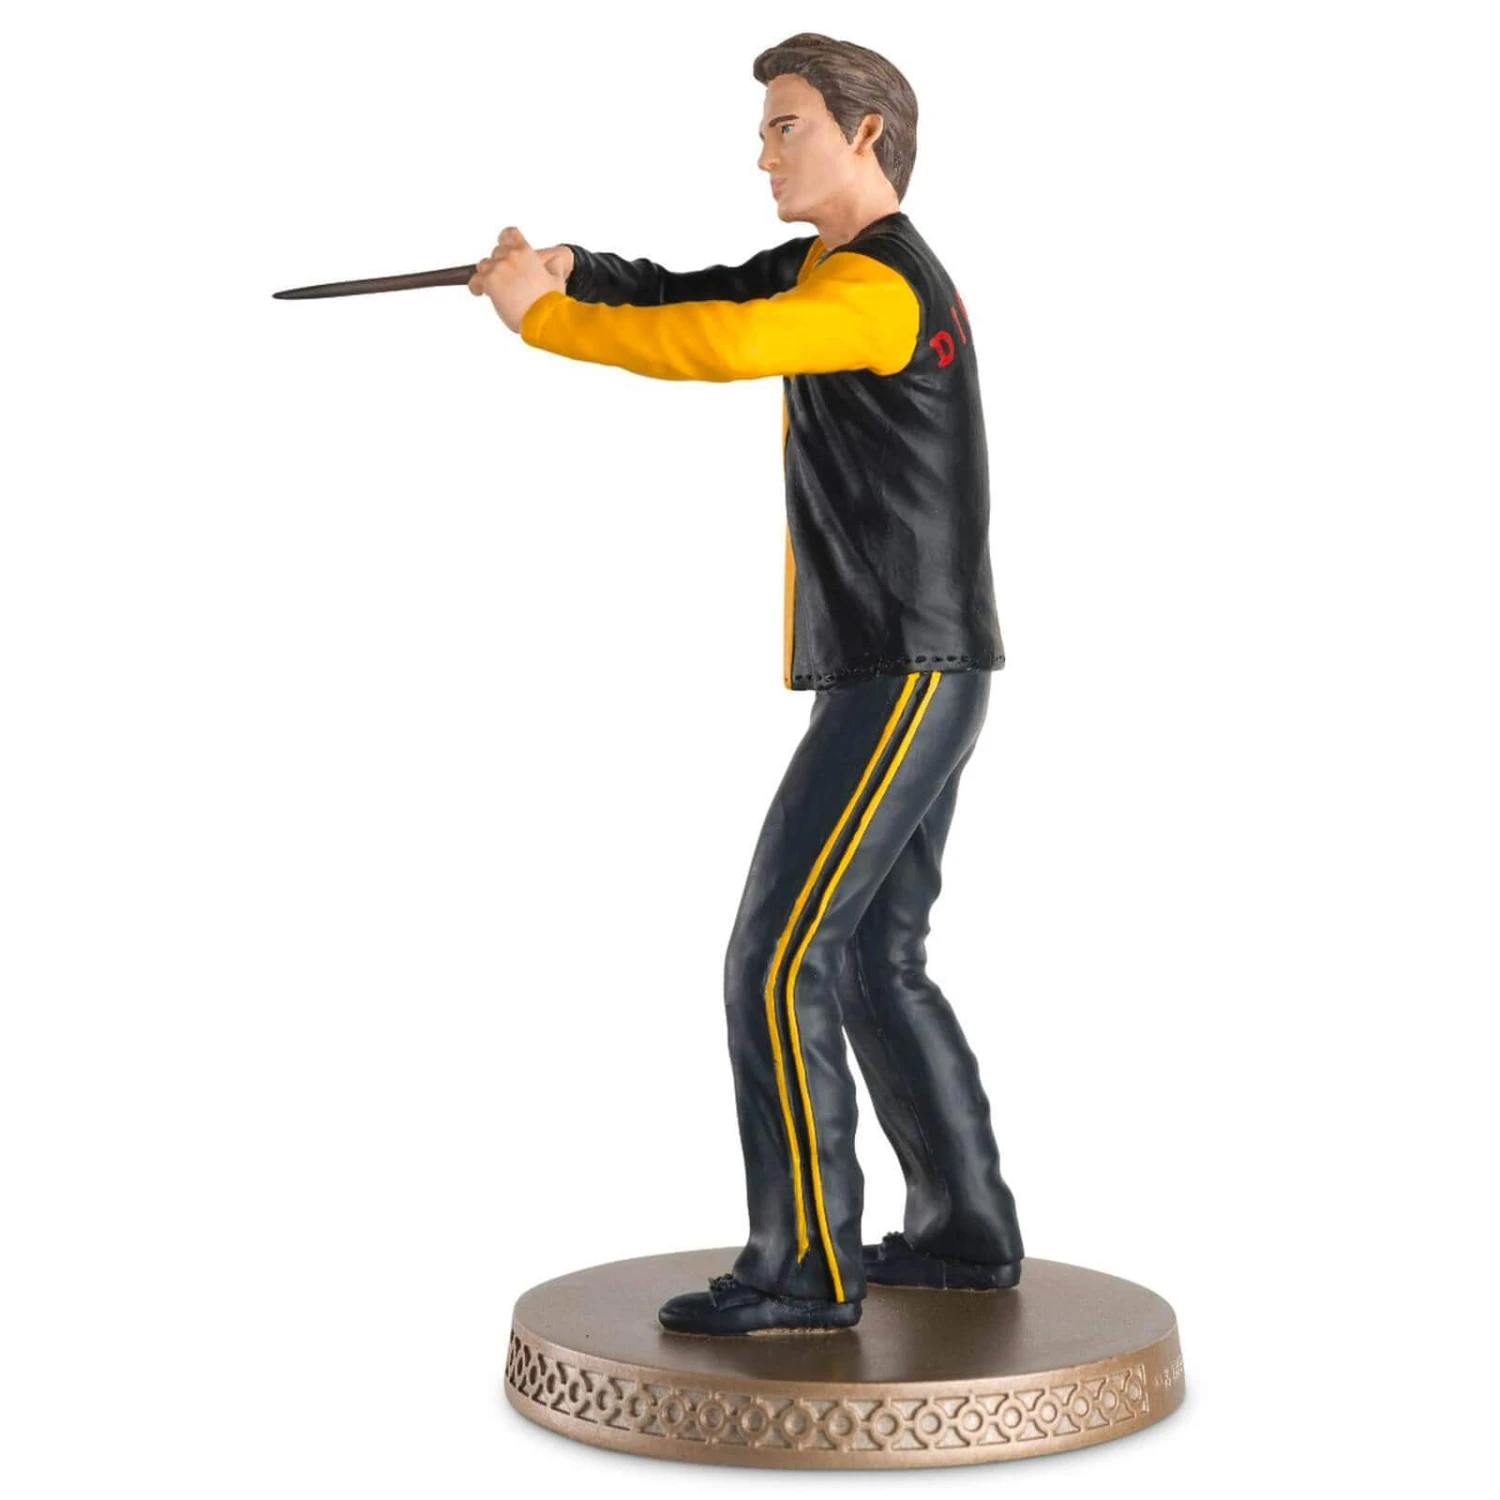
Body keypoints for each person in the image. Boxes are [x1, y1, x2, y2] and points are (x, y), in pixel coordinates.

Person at [470, 32, 1024, 1336]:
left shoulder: (878, 289)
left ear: (866, 134)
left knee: (776, 962)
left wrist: (544, 321)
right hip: (905, 668)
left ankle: (804, 1270)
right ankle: (962, 1234)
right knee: (876, 956)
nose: (763, 154)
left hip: (906, 673)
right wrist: (581, 267)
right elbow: (696, 289)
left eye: (787, 127)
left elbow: (724, 341)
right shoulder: (827, 266)